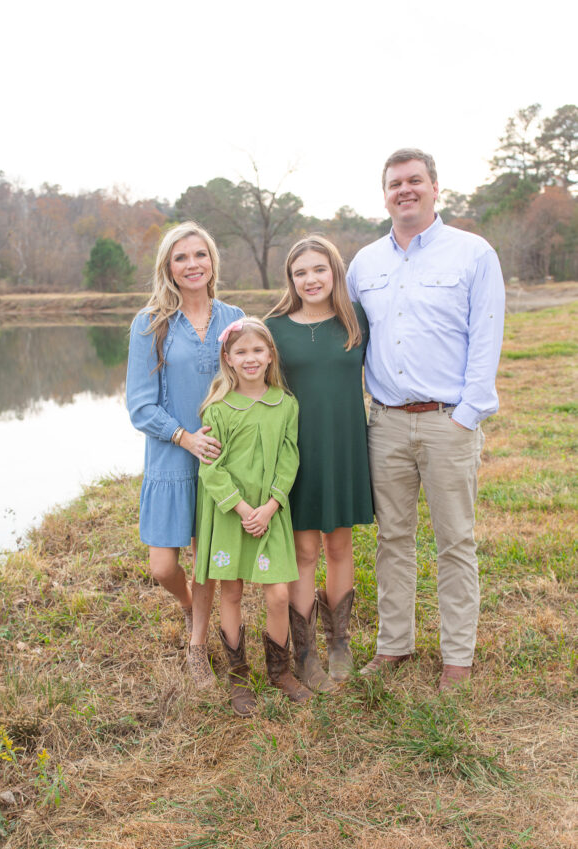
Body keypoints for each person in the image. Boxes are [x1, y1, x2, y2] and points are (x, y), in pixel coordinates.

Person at [346, 147, 505, 692]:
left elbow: (486, 338)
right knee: (393, 538)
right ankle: (394, 645)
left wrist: (466, 415)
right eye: (395, 183)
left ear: (436, 187)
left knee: (455, 539)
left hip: (447, 422)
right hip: (385, 422)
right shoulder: (364, 264)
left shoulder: (473, 254)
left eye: (415, 181)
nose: (404, 190)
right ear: (384, 193)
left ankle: (457, 657)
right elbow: (347, 338)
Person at [125, 222, 244, 687]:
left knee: (207, 555)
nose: (192, 264)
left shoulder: (232, 317)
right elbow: (140, 404)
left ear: (212, 261)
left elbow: (249, 376)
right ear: (168, 268)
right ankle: (191, 605)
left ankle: (197, 645)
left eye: (200, 255)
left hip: (219, 455)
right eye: (181, 258)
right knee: (163, 566)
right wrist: (183, 436)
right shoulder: (150, 322)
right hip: (171, 455)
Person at [266, 237, 374, 691]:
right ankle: (305, 653)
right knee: (305, 551)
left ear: (335, 272)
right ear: (290, 280)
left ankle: (339, 643)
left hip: (346, 444)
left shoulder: (357, 320)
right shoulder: (275, 328)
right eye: (300, 272)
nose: (311, 279)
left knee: (340, 546)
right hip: (300, 450)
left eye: (319, 269)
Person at [194, 317, 313, 715]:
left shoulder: (286, 404)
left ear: (270, 355)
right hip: (233, 514)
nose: (250, 358)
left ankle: (280, 671)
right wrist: (244, 509)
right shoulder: (219, 408)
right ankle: (239, 676)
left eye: (257, 350)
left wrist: (271, 506)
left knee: (278, 593)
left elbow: (289, 456)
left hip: (270, 513)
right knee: (230, 592)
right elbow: (210, 468)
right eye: (241, 352)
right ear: (227, 358)